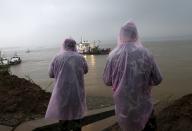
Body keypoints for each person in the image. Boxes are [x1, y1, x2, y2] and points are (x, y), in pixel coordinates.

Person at [103, 21, 162, 131]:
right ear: (136, 34)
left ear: (121, 35)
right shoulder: (146, 53)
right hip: (145, 108)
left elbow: (107, 81)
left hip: (124, 110)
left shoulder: (112, 56)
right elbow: (158, 79)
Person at [45, 38, 88, 131]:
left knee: (63, 117)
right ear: (74, 46)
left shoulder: (57, 57)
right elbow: (85, 70)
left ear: (64, 45)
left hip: (62, 93)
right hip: (76, 92)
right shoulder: (80, 57)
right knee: (77, 117)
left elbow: (51, 74)